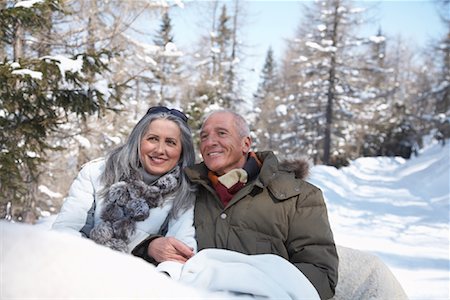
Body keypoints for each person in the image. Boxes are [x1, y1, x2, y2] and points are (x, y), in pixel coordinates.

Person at [132, 109, 339, 299]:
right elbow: (140, 234)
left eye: (221, 133)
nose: (210, 142)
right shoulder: (188, 189)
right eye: (204, 136)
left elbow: (321, 274)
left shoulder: (297, 196)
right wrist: (149, 246)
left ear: (246, 144)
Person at [52, 106, 196, 261]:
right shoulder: (97, 172)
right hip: (85, 268)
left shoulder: (186, 191)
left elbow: (179, 254)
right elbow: (66, 230)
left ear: (182, 152)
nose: (160, 150)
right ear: (138, 141)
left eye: (170, 142)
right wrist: (145, 246)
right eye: (153, 139)